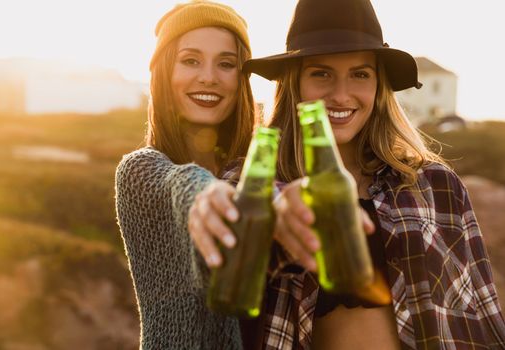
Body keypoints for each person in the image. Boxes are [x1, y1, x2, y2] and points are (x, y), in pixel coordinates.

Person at [189, 0, 505, 349]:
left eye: (360, 74)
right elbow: (213, 294)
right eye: (321, 73)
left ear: (378, 85)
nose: (341, 95)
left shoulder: (435, 185)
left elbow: (482, 314)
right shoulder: (252, 185)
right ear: (295, 83)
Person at [114, 1, 255, 348]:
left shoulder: (261, 169)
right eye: (190, 60)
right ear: (164, 72)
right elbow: (179, 185)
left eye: (226, 64)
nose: (208, 76)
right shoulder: (139, 171)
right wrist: (208, 194)